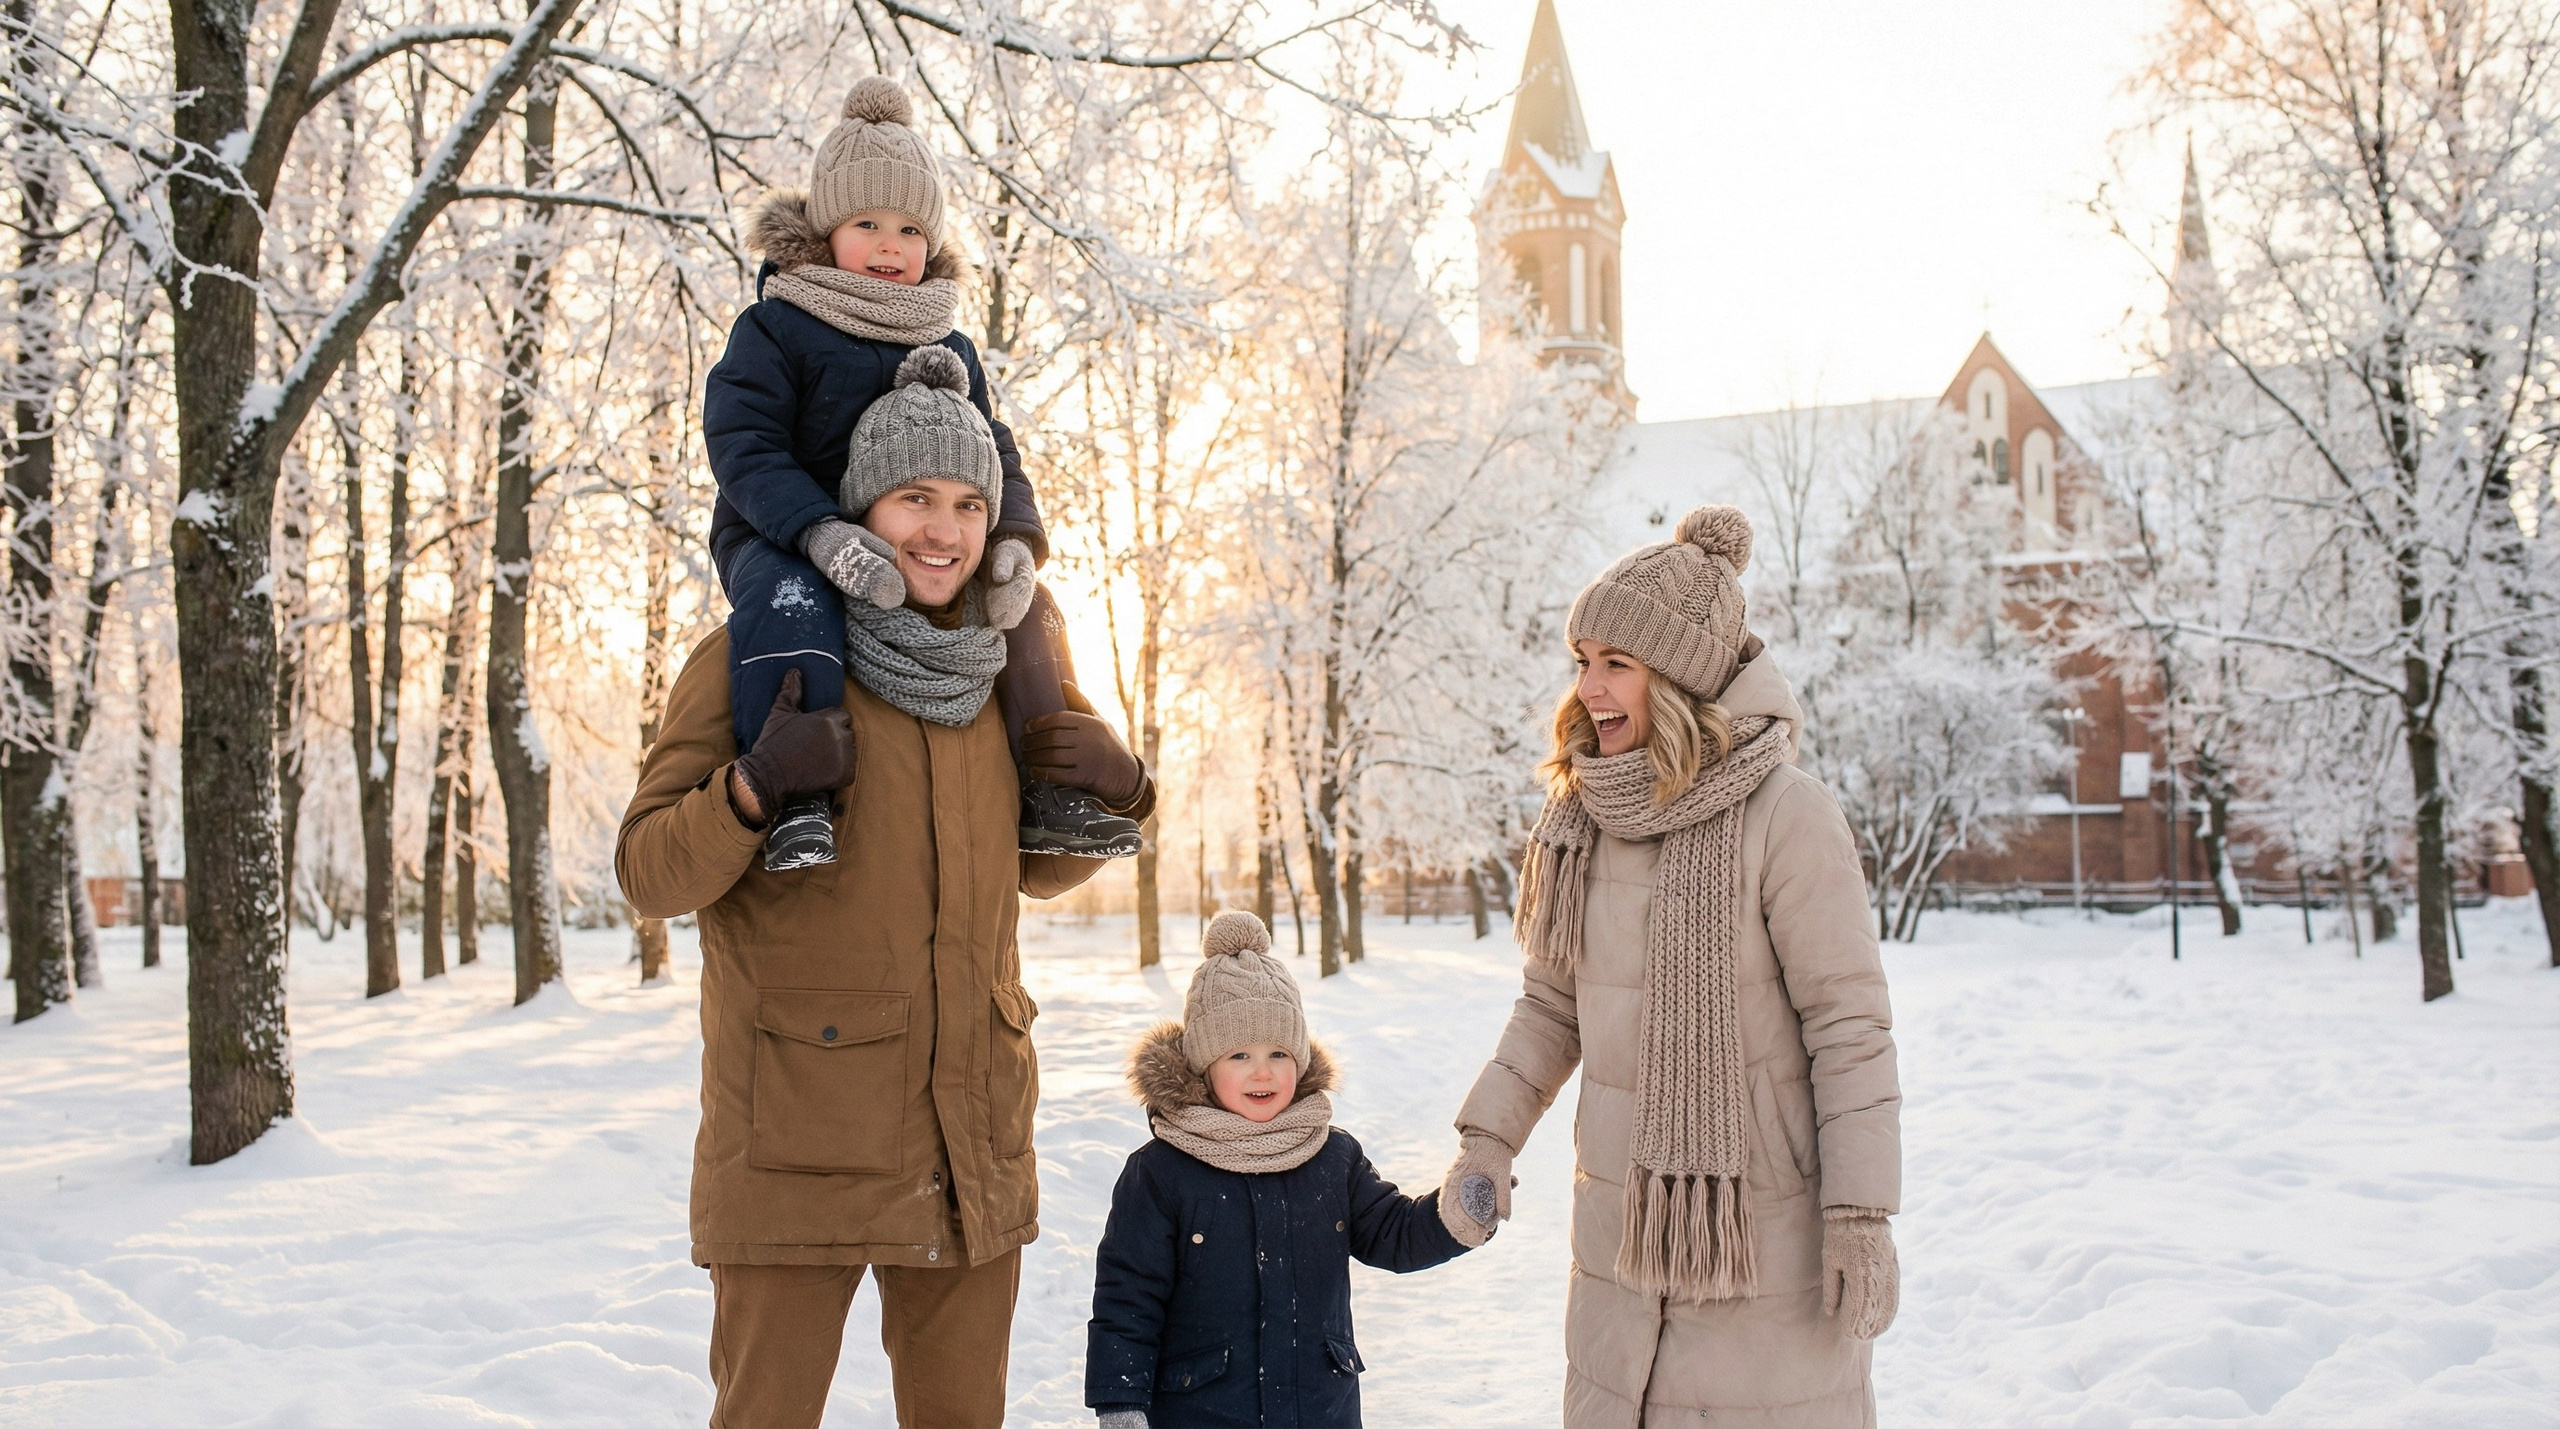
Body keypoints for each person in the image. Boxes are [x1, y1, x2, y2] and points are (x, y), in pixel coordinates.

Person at [616, 343, 1155, 1429]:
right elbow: (647, 873)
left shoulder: (998, 669)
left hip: (970, 1139)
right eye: (915, 498)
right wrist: (755, 787)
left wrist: (1128, 793)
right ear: (861, 508)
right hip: (796, 1146)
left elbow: (1031, 870)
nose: (944, 530)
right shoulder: (755, 661)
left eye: (967, 502)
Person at [1439, 505, 1902, 1427]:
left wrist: (1860, 1212)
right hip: (1620, 1232)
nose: (1589, 688)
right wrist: (1485, 1137)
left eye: (1619, 663)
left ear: (1682, 680)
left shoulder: (1787, 816)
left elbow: (1849, 1029)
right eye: (1583, 660)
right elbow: (1551, 1008)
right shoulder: (1583, 817)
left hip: (1758, 1237)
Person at [703, 73, 1142, 870]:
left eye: (909, 229)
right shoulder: (778, 325)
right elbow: (744, 444)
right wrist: (817, 531)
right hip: (782, 530)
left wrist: (1013, 539)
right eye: (866, 222)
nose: (888, 245)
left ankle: (1053, 788)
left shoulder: (948, 343)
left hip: (912, 544)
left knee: (1032, 610)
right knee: (794, 604)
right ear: (825, 228)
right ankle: (800, 794)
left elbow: (993, 448)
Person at [1085, 911, 1476, 1428]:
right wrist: (1120, 1403)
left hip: (1319, 1409)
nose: (1263, 1071)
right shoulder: (1162, 1173)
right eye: (1239, 1054)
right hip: (1202, 1411)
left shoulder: (1332, 1157)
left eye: (1278, 1052)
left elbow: (1394, 1233)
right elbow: (1128, 1296)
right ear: (1204, 1065)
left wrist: (1460, 1211)